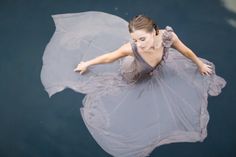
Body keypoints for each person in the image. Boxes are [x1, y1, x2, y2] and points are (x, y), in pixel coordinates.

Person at [41, 11, 226, 157]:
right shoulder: (132, 49)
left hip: (154, 69)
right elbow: (109, 57)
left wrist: (199, 64)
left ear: (154, 32)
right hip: (133, 73)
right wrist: (87, 64)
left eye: (142, 39)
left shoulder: (168, 37)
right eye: (135, 39)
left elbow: (186, 51)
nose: (138, 43)